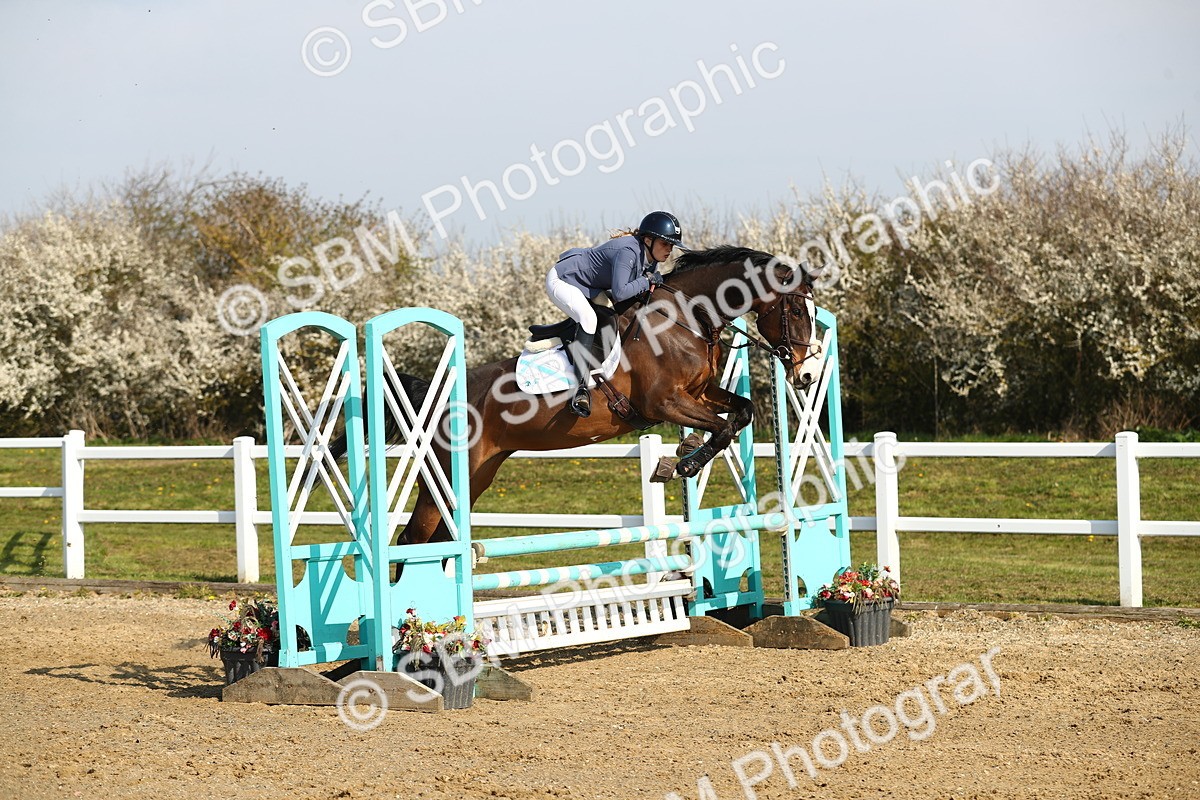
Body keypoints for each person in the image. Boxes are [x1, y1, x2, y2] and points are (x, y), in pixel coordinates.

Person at [545, 211, 686, 417]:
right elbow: (620, 293)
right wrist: (648, 281)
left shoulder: (651, 258)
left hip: (590, 286)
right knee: (588, 319)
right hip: (564, 279)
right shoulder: (628, 251)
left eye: (672, 245)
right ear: (648, 240)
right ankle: (580, 389)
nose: (669, 250)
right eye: (666, 244)